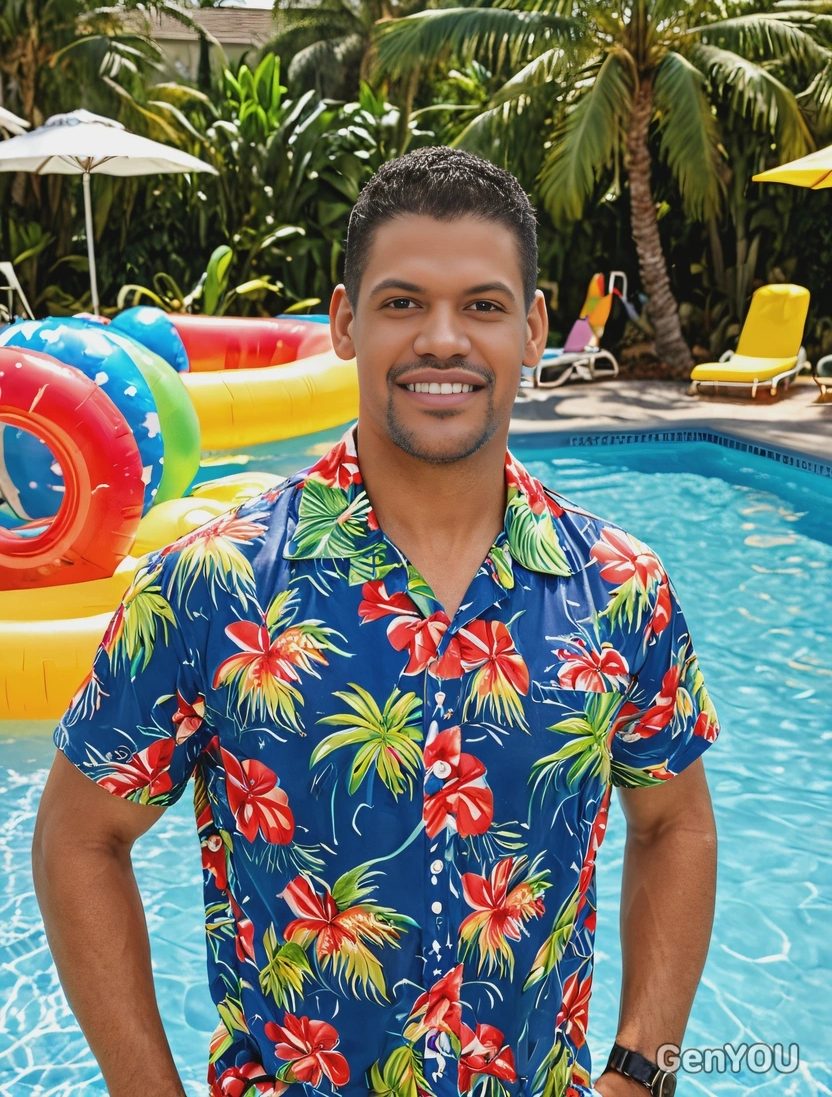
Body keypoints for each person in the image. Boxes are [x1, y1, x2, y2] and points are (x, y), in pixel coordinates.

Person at [32, 147, 719, 1097]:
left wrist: (643, 1071)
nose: (444, 339)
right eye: (403, 303)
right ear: (347, 323)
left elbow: (676, 824)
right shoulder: (212, 587)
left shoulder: (621, 589)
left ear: (531, 328)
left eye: (482, 305)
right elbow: (78, 838)